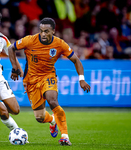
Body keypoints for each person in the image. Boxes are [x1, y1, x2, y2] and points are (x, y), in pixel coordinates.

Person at [8, 17, 91, 146]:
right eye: (41, 31)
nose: (43, 34)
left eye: (46, 31)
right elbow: (10, 49)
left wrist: (81, 79)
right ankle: (53, 121)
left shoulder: (59, 44)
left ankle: (65, 137)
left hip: (48, 76)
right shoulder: (30, 40)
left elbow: (76, 60)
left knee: (52, 100)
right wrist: (14, 68)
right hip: (31, 81)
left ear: (53, 31)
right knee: (39, 117)